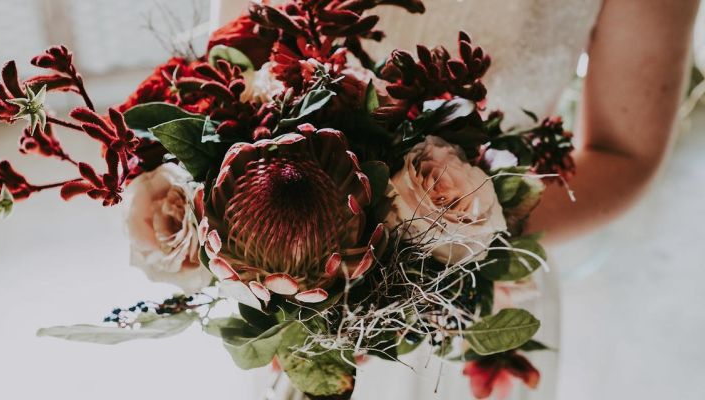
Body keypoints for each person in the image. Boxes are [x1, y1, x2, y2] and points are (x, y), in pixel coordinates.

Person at [213, 0, 701, 398]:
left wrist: (441, 237)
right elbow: (228, 66)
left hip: (471, 288)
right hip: (291, 264)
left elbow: (624, 154)